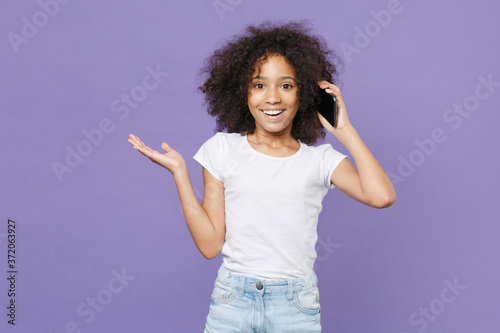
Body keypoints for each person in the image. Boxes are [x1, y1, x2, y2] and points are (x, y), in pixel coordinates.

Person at [128, 21, 396, 332]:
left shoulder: (321, 160)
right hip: (233, 302)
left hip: (295, 307)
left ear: (304, 94)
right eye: (259, 85)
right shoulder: (222, 150)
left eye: (286, 85)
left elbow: (382, 196)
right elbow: (210, 245)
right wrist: (179, 174)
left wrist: (344, 130)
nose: (272, 98)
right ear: (242, 93)